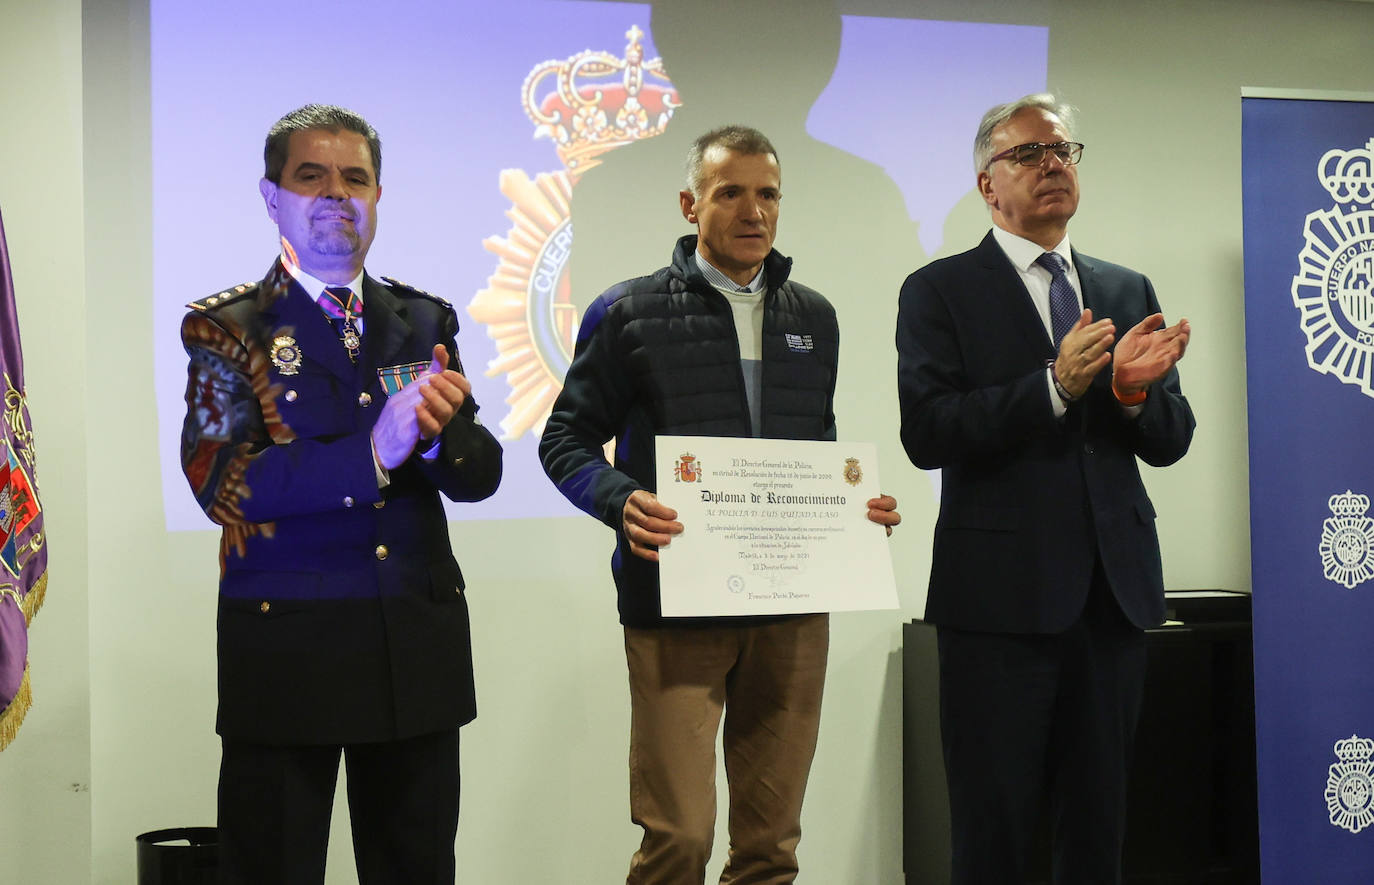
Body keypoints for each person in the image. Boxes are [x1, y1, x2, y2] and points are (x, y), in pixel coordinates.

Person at [540, 125, 900, 885]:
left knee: (771, 848)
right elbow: (565, 440)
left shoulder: (815, 317)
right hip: (675, 606)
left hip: (794, 608)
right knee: (680, 838)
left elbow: (817, 447)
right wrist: (620, 497)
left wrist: (854, 512)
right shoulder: (629, 312)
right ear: (689, 204)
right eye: (729, 192)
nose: (752, 211)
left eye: (767, 194)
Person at [179, 103, 502, 885]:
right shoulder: (231, 327)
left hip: (411, 650)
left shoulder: (422, 317)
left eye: (355, 178)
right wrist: (372, 452)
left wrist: (438, 436)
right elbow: (222, 483)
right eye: (311, 176)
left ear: (378, 196)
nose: (335, 194)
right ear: (272, 197)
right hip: (289, 654)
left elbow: (479, 476)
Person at [896, 93, 1195, 884]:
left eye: (1063, 151)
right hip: (997, 608)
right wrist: (1054, 387)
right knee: (993, 835)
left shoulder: (1125, 287)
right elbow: (928, 430)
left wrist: (1131, 396)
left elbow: (1172, 437)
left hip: (1112, 600)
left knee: (1098, 831)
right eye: (1028, 154)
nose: (1052, 165)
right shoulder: (940, 291)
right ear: (988, 185)